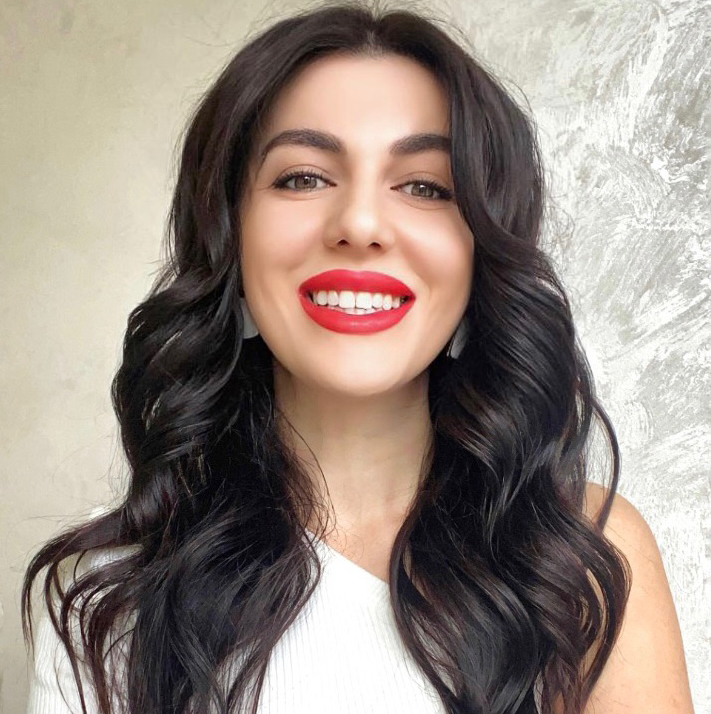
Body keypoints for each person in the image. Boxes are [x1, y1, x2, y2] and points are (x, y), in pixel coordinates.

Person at [22, 2, 695, 713]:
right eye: (303, 177)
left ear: (480, 255)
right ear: (228, 237)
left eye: (425, 186)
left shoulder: (581, 557)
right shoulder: (105, 591)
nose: (361, 224)